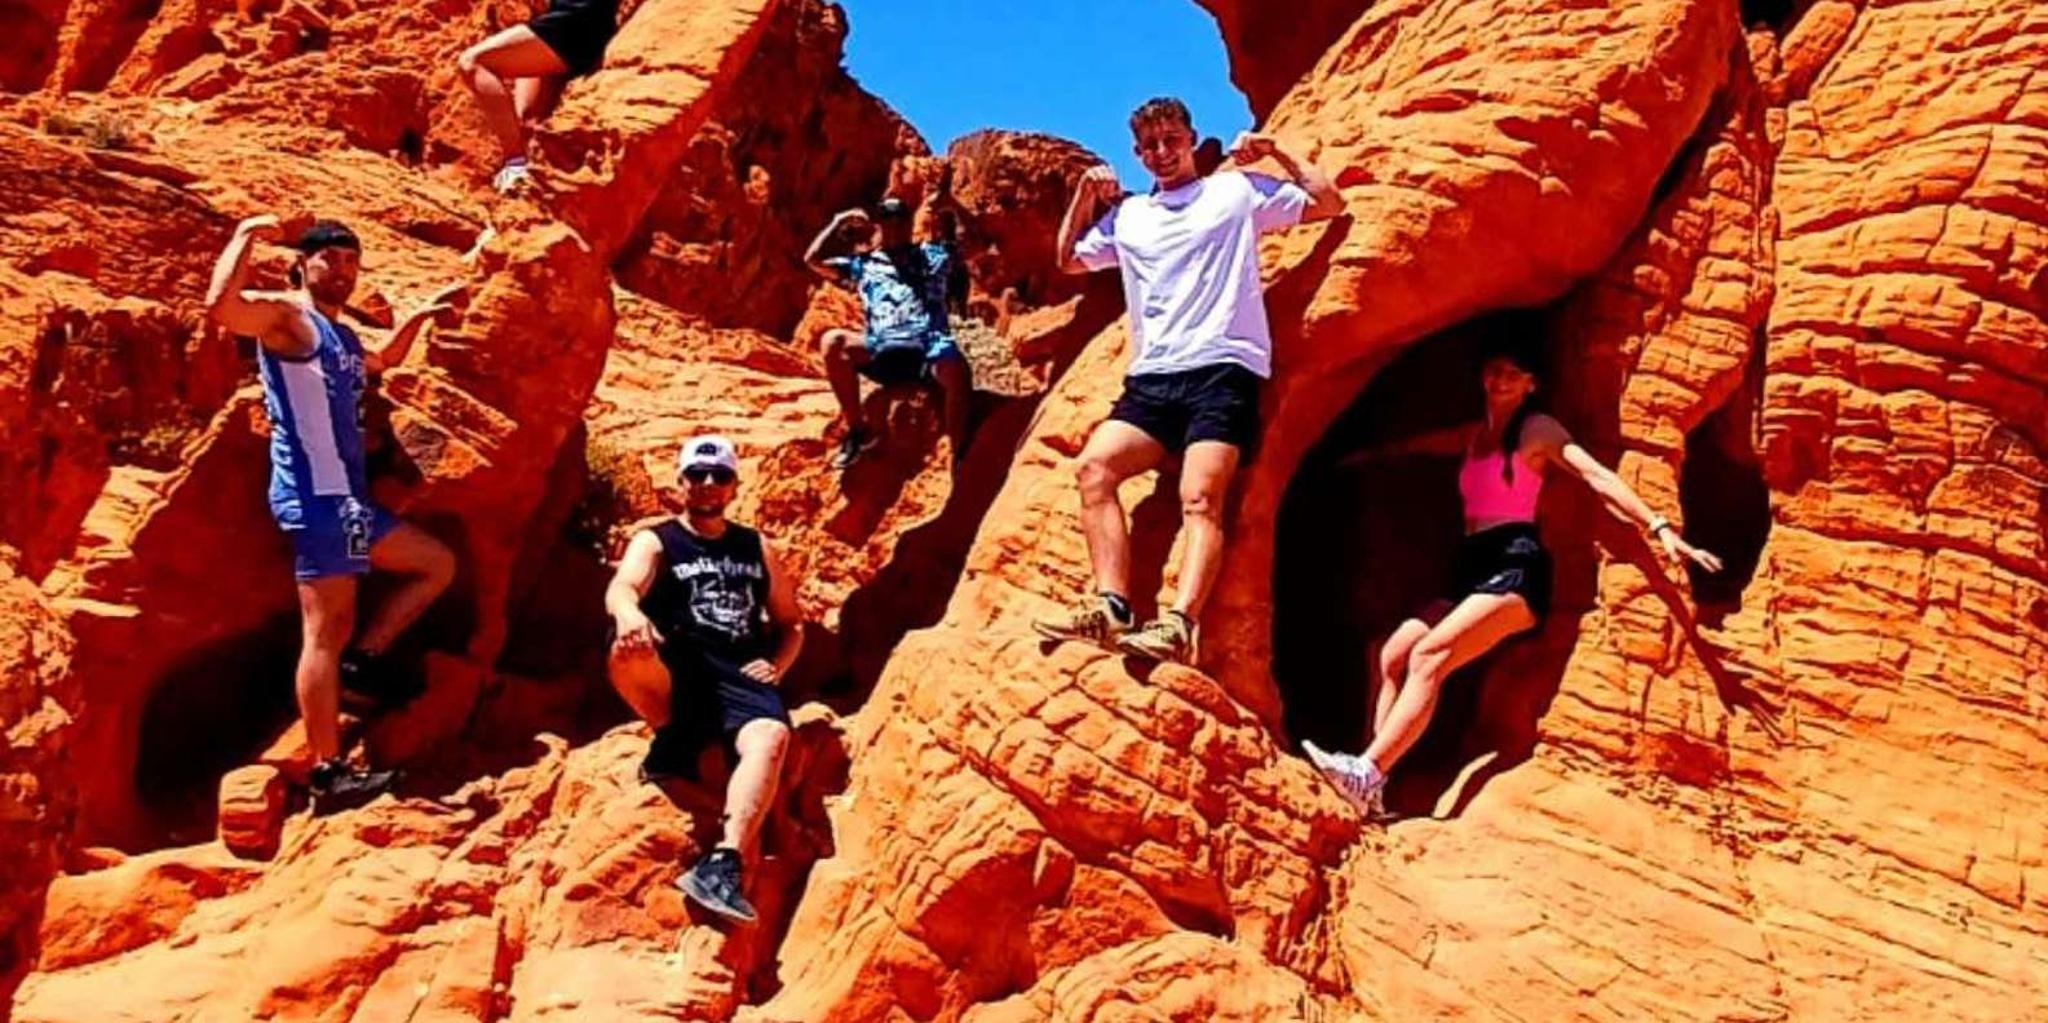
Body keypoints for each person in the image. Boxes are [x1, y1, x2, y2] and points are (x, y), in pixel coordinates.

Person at [1301, 342, 1725, 821]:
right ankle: (1375, 785)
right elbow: (1428, 444)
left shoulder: (1537, 431)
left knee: (1429, 656)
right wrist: (1364, 455)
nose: (1501, 380)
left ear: (1531, 385)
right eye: (1495, 370)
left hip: (1516, 568)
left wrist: (1659, 526)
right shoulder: (1474, 436)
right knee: (1392, 653)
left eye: (1513, 373)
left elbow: (1595, 475)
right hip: (1471, 567)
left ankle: (1367, 773)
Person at [1032, 97, 1345, 663]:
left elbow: (1328, 202)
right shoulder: (1129, 218)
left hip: (1222, 369)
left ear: (1191, 138)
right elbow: (1070, 260)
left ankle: (1179, 625)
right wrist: (1083, 198)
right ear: (1137, 153)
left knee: (1200, 497)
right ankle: (1111, 608)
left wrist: (1275, 152)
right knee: (1094, 469)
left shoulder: (1235, 191)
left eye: (1171, 140)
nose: (1162, 153)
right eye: (1150, 146)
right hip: (1152, 379)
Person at [205, 216, 459, 811]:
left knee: (434, 564)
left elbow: (378, 363)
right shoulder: (287, 317)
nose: (342, 270)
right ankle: (327, 770)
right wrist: (246, 234)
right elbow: (221, 308)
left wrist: (420, 317)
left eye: (351, 261)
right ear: (303, 264)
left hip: (349, 501)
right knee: (324, 631)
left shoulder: (341, 337)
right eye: (330, 259)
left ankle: (365, 663)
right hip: (316, 496)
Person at [603, 435, 804, 923]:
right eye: (698, 475)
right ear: (682, 482)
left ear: (734, 485)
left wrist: (777, 665)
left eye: (720, 476)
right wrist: (630, 615)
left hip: (737, 672)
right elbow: (624, 587)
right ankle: (672, 737)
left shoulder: (755, 546)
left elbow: (792, 623)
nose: (708, 484)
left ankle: (724, 862)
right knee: (629, 648)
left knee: (773, 735)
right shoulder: (658, 539)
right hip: (676, 671)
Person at [805, 194, 972, 471]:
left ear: (909, 223)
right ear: (880, 226)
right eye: (887, 221)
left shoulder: (932, 256)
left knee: (956, 367)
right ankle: (859, 431)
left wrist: (953, 206)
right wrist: (838, 221)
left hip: (927, 353)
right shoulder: (864, 264)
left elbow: (976, 244)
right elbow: (813, 260)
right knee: (833, 341)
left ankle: (958, 457)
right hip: (880, 351)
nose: (894, 227)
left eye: (900, 220)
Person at [457, 0, 621, 194]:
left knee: (472, 62)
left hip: (575, 23)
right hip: (565, 24)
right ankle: (528, 178)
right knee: (525, 119)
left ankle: (516, 165)